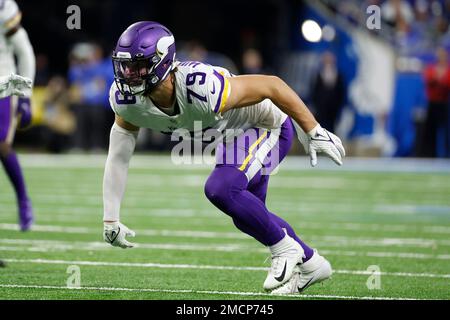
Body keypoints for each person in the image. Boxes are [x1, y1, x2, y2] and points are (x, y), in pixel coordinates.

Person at [102, 21, 345, 294]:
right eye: (124, 66)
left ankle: (285, 249)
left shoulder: (200, 86)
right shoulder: (126, 101)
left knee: (221, 188)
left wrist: (312, 129)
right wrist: (111, 218)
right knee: (247, 215)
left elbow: (272, 85)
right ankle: (312, 263)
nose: (128, 74)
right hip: (234, 138)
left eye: (138, 66)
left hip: (268, 126)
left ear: (162, 62)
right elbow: (118, 156)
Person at [0, 0, 36, 231]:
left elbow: (24, 51)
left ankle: (23, 199)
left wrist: (25, 95)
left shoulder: (4, 7)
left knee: (2, 146)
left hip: (2, 86)